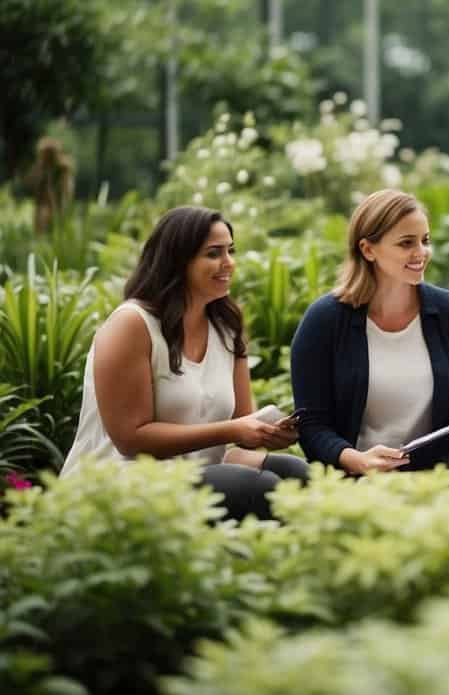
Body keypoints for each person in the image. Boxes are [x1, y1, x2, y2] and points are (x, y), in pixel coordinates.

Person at [61, 207, 309, 519]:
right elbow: (131, 439)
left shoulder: (226, 325)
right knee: (256, 488)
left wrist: (268, 433)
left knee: (295, 475)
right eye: (213, 253)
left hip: (196, 474)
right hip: (121, 479)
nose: (228, 263)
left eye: (231, 251)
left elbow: (242, 421)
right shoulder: (132, 325)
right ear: (177, 261)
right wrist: (233, 429)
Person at [291, 189, 449, 485]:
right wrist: (357, 461)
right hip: (354, 468)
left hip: (434, 467)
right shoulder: (325, 320)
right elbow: (311, 425)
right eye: (406, 243)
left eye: (425, 240)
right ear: (368, 250)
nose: (421, 252)